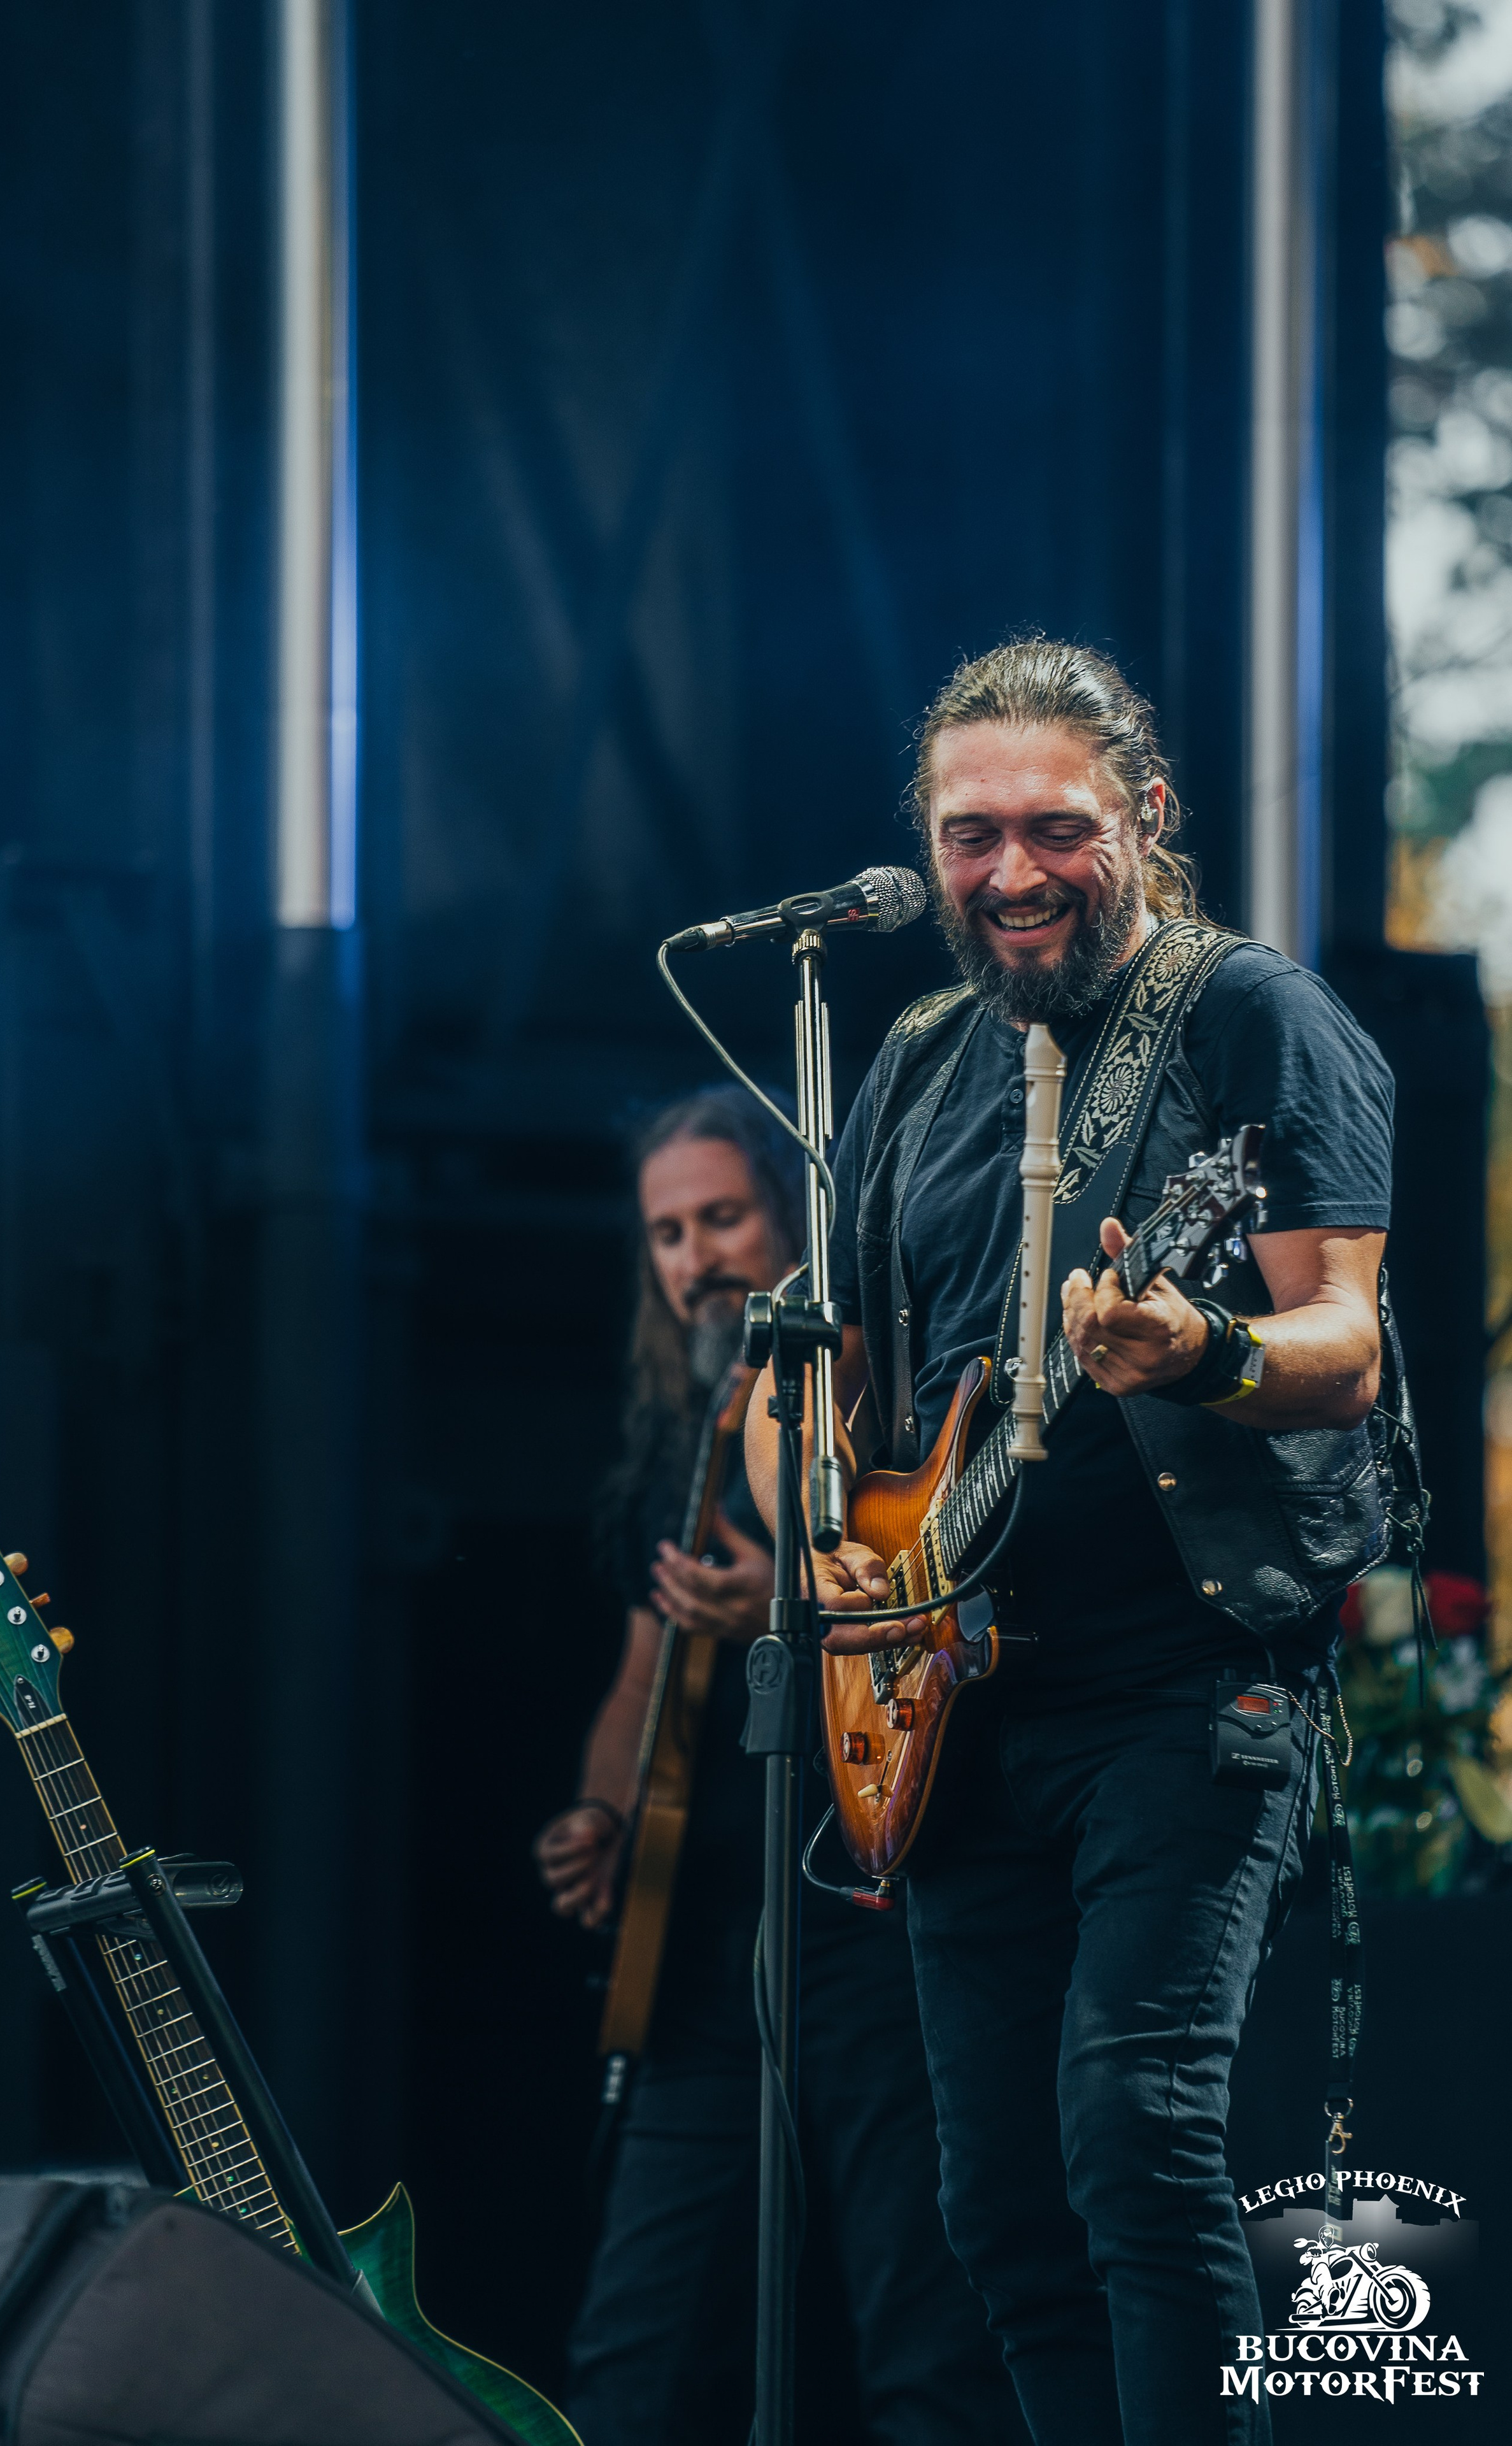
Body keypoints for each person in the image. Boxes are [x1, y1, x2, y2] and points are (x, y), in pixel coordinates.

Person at [746, 638, 1400, 2446]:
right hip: (958, 1700)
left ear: (1148, 820)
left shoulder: (1246, 1019)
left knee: (1134, 2128)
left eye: (1056, 827)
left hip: (1184, 1688)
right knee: (1001, 2209)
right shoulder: (919, 1056)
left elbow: (1344, 1343)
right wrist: (828, 1533)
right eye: (972, 835)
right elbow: (824, 1372)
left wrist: (1205, 1351)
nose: (1013, 872)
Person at [536, 1086, 1024, 2446]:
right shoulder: (684, 1443)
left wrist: (785, 1608)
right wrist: (602, 1812)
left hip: (876, 1937)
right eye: (668, 1233)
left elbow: (945, 1633)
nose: (696, 1256)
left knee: (926, 2346)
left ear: (793, 1226)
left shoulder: (878, 1399)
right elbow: (642, 1673)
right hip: (707, 1962)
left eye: (723, 1217)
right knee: (631, 2364)